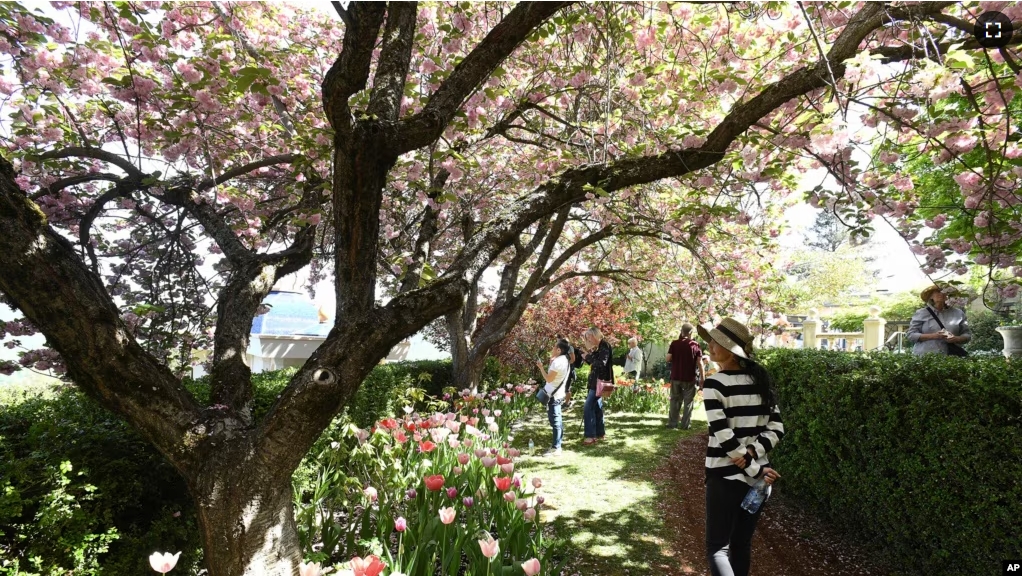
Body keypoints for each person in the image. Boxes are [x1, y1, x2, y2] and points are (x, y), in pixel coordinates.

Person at [697, 317, 784, 576]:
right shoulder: (760, 381)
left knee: (718, 547)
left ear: (732, 351)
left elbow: (724, 437)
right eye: (711, 340)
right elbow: (777, 428)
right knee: (741, 544)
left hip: (725, 477)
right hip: (759, 480)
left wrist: (751, 464)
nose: (710, 345)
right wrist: (755, 459)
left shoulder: (714, 384)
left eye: (717, 342)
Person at [907, 284, 972, 356]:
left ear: (949, 296)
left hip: (952, 359)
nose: (941, 293)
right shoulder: (921, 313)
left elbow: (967, 335)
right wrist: (934, 336)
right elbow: (911, 335)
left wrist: (956, 339)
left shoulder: (958, 313)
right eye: (938, 291)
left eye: (945, 292)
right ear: (931, 296)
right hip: (926, 358)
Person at [535, 340, 571, 456]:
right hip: (559, 394)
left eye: (554, 347)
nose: (552, 349)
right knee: (558, 419)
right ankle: (558, 443)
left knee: (555, 421)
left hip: (553, 396)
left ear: (559, 350)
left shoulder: (557, 362)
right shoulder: (565, 360)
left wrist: (541, 367)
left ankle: (556, 447)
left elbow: (549, 379)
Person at [665, 324, 704, 429]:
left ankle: (672, 424)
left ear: (681, 331)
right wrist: (702, 378)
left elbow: (668, 358)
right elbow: (700, 363)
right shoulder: (695, 345)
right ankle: (685, 425)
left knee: (674, 400)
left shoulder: (674, 343)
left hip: (676, 376)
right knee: (688, 401)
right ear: (691, 332)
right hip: (689, 378)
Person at [580, 326, 611, 446]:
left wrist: (588, 356)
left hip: (599, 381)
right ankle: (599, 432)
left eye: (588, 337)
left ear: (594, 335)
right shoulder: (600, 347)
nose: (588, 340)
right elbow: (593, 362)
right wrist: (587, 355)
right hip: (596, 381)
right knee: (597, 406)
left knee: (588, 406)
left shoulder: (605, 346)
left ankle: (590, 436)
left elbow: (601, 364)